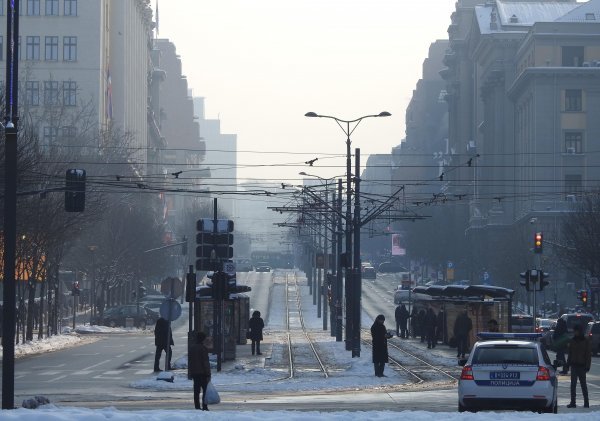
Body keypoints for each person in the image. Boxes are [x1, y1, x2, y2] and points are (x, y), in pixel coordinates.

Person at [566, 324, 592, 408]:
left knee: (583, 385)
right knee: (573, 385)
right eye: (574, 331)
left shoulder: (585, 341)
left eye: (576, 331)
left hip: (582, 366)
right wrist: (567, 364)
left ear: (580, 331)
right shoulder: (572, 340)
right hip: (574, 365)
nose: (575, 332)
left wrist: (588, 366)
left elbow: (588, 355)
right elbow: (570, 353)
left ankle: (586, 402)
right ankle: (573, 402)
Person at [189, 331, 211, 411]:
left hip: (195, 373)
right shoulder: (203, 348)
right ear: (203, 339)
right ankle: (204, 406)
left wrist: (190, 373)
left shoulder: (192, 348)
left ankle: (197, 407)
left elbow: (190, 361)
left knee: (196, 391)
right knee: (205, 390)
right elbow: (205, 362)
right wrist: (208, 373)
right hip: (202, 373)